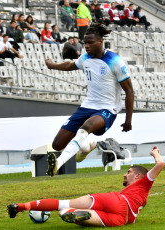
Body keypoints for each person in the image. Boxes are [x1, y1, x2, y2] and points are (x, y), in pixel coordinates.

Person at [43, 23, 134, 177]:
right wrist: (52, 65)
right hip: (86, 107)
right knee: (57, 144)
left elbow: (129, 91)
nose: (86, 46)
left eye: (90, 42)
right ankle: (85, 147)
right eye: (85, 42)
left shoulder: (115, 61)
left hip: (106, 110)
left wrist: (128, 120)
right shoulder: (85, 58)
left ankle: (58, 163)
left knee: (87, 126)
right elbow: (71, 65)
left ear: (100, 42)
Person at [8, 147, 164, 227]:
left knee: (64, 204)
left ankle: (21, 206)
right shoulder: (140, 195)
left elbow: (160, 163)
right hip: (122, 219)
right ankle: (74, 215)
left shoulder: (143, 184)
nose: (125, 174)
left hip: (117, 201)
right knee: (76, 216)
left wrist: (155, 152)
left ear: (137, 176)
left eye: (128, 172)